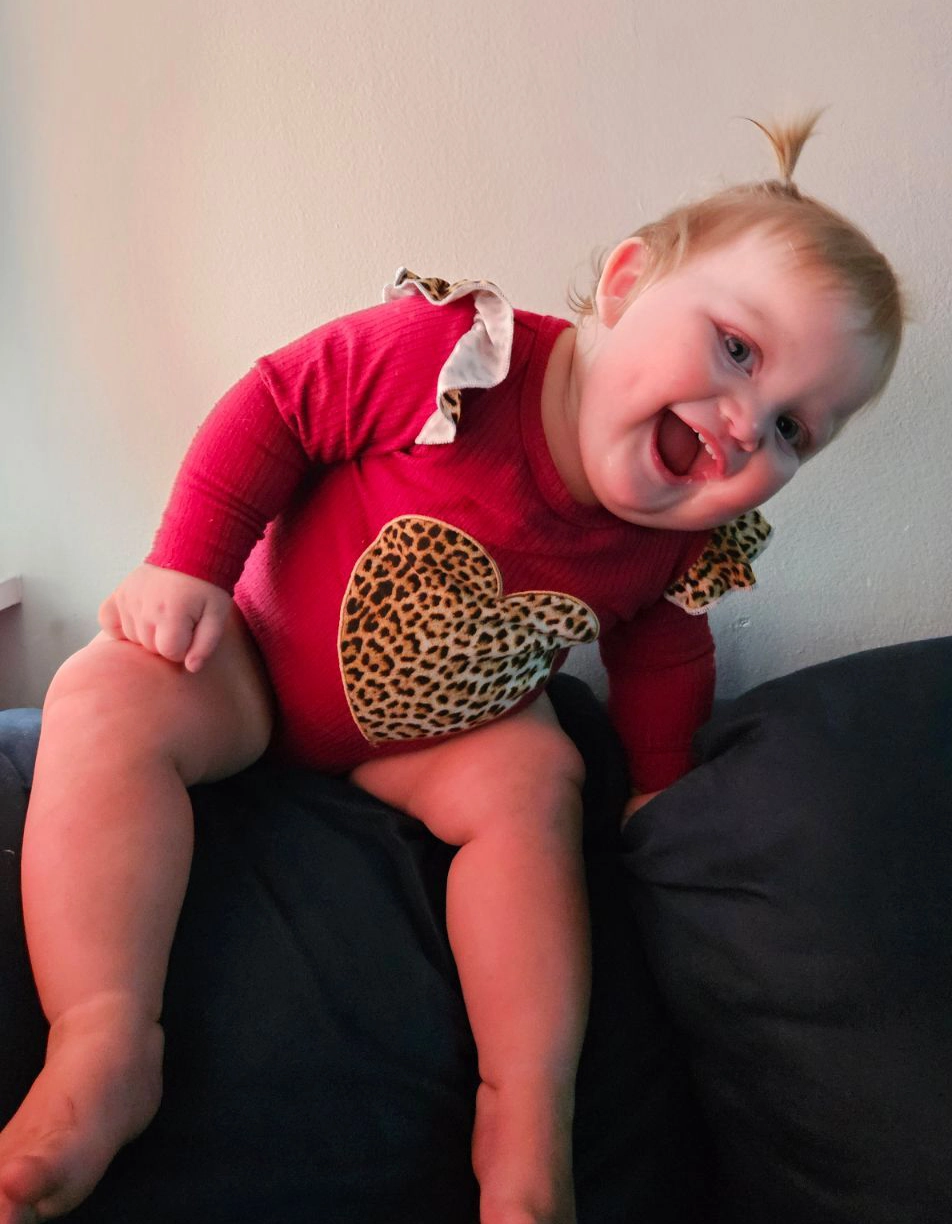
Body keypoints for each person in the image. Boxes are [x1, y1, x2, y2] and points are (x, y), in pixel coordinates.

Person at [0, 115, 902, 1224]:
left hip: (444, 735)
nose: (742, 427)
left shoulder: (676, 544)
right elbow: (276, 407)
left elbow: (663, 655)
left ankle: (527, 1119)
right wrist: (185, 564)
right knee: (101, 690)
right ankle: (102, 1035)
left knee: (536, 782)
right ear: (622, 283)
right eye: (735, 349)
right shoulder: (457, 360)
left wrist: (662, 788)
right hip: (251, 666)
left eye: (794, 433)